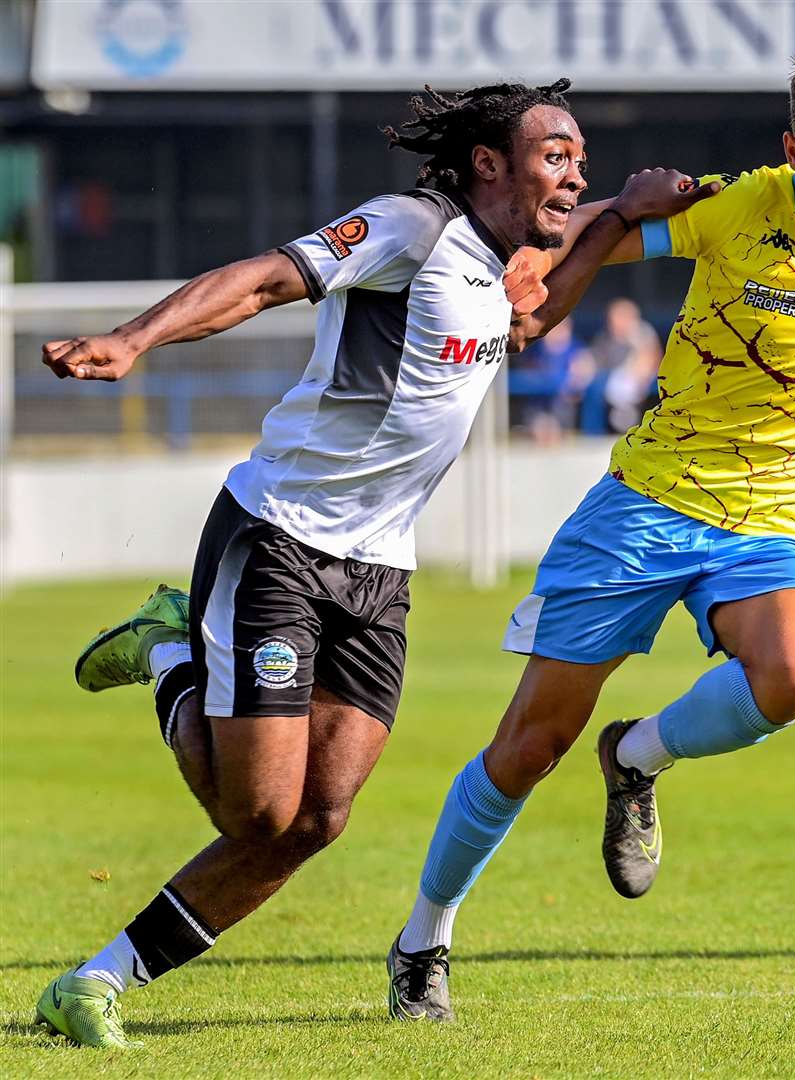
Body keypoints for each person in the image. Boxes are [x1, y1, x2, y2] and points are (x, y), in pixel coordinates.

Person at [31, 80, 709, 1049]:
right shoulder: (406, 229)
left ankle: (93, 984)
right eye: (556, 155)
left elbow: (526, 324)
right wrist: (134, 338)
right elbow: (266, 278)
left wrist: (613, 221)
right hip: (277, 539)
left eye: (579, 159)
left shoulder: (497, 262)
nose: (576, 173)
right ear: (489, 163)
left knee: (319, 819)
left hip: (379, 571)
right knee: (259, 812)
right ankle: (165, 651)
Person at [384, 49, 795, 1023]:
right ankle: (423, 939)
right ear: (792, 151)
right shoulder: (736, 206)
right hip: (646, 505)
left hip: (770, 523)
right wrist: (534, 264)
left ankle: (639, 757)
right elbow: (599, 242)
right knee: (529, 745)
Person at [512, 316, 595, 444]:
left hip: (564, 406)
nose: (557, 332)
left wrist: (574, 383)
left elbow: (586, 372)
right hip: (538, 407)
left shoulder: (577, 349)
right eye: (554, 328)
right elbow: (527, 376)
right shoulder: (536, 350)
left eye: (562, 328)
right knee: (541, 425)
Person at [589, 296, 663, 432]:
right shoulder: (605, 337)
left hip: (643, 382)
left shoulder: (642, 332)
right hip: (611, 384)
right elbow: (595, 361)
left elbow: (652, 359)